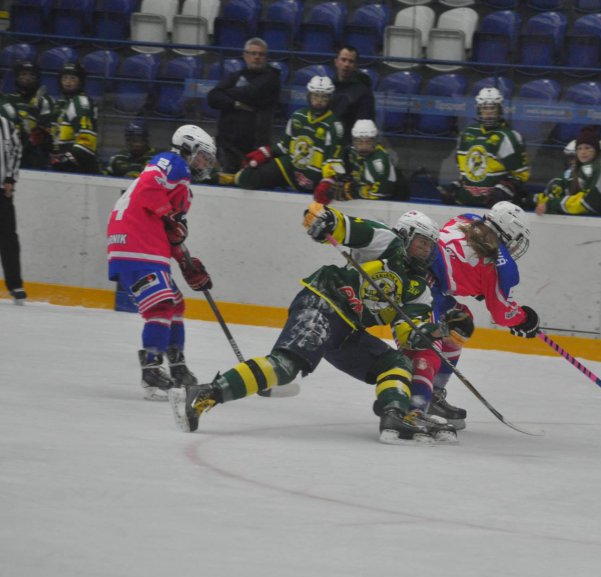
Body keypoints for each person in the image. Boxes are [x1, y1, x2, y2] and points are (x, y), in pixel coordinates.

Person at [170, 204, 459, 446]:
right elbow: (343, 226)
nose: (426, 251)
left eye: (430, 247)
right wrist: (324, 218)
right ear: (406, 236)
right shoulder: (387, 241)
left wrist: (440, 330)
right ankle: (205, 393)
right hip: (324, 302)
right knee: (285, 367)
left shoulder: (419, 289)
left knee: (396, 364)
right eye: (422, 243)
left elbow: (409, 336)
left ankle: (394, 414)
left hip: (347, 331)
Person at [106, 125, 218, 400]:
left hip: (144, 243)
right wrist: (169, 218)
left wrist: (186, 263)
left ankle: (176, 365)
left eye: (207, 160)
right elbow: (148, 191)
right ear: (187, 148)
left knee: (175, 303)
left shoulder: (183, 186)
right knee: (161, 305)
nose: (204, 164)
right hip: (135, 242)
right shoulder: (171, 162)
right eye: (202, 157)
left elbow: (171, 233)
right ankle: (152, 369)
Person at [405, 201, 541, 426]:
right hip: (423, 285)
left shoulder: (467, 218)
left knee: (460, 322)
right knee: (430, 344)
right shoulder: (502, 266)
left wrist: (477, 286)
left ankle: (433, 393)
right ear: (508, 233)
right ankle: (415, 409)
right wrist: (525, 319)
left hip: (424, 275)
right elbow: (502, 314)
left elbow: (455, 258)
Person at [235, 75, 344, 193]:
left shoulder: (334, 125)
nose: (319, 100)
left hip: (314, 179)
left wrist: (328, 180)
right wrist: (267, 152)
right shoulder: (298, 116)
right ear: (309, 96)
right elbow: (284, 146)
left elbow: (334, 160)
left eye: (324, 97)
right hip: (290, 169)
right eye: (315, 95)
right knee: (247, 177)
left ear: (330, 98)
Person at [441, 87, 531, 209]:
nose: (488, 112)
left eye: (492, 108)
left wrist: (503, 190)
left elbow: (520, 175)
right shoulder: (467, 134)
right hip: (465, 203)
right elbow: (467, 172)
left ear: (499, 110)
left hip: (495, 207)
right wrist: (456, 185)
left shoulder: (509, 137)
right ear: (479, 110)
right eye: (485, 108)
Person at [207, 38, 281, 174]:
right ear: (245, 55)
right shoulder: (234, 76)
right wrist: (235, 104)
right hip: (228, 145)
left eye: (261, 54)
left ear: (266, 57)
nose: (257, 57)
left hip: (256, 148)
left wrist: (226, 93)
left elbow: (253, 93)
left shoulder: (272, 78)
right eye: (253, 53)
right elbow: (213, 97)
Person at [314, 119, 408, 204]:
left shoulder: (379, 162)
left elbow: (380, 193)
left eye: (368, 142)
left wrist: (351, 192)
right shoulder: (351, 152)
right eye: (359, 142)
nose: (363, 147)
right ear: (353, 141)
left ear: (374, 141)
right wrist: (333, 181)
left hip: (388, 204)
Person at [3, 60, 54, 169]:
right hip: (9, 150)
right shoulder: (8, 99)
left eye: (32, 75)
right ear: (17, 77)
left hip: (34, 156)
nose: (27, 78)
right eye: (23, 74)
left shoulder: (44, 101)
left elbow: (47, 131)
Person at [50, 62, 99, 174]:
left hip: (80, 168)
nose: (68, 82)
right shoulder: (60, 104)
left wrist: (66, 159)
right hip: (63, 165)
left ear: (80, 81)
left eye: (73, 78)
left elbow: (87, 142)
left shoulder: (81, 103)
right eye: (65, 78)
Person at [0, 114, 24, 304]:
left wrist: (10, 178)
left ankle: (15, 285)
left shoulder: (5, 124)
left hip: (2, 192)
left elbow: (17, 149)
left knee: (9, 239)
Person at [329, 45, 375, 143]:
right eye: (343, 60)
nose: (346, 64)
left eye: (351, 61)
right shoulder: (328, 86)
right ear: (336, 62)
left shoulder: (364, 92)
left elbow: (364, 125)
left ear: (355, 66)